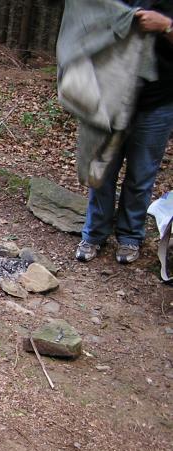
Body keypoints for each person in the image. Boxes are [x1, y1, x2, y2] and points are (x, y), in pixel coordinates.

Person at [76, 2, 173, 264]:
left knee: (141, 175)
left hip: (157, 103)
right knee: (101, 172)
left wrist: (166, 26)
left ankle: (130, 236)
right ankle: (94, 234)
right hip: (109, 98)